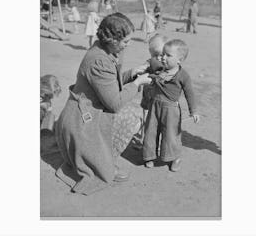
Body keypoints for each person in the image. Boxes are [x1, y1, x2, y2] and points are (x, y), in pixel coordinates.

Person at [55, 13, 152, 195]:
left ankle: (104, 158)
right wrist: (137, 83)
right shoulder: (99, 61)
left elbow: (107, 85)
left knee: (131, 111)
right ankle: (104, 163)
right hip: (81, 120)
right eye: (125, 41)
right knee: (133, 115)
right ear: (112, 39)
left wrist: (132, 73)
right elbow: (114, 102)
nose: (128, 45)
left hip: (88, 109)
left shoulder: (103, 49)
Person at [143, 39, 200, 171]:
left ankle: (175, 157)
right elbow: (150, 62)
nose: (163, 57)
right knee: (150, 132)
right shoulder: (158, 68)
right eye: (163, 54)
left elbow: (189, 93)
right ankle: (149, 156)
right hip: (154, 106)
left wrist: (194, 111)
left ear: (179, 60)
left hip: (171, 110)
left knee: (171, 135)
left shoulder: (183, 76)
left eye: (168, 55)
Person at [134, 34, 167, 150]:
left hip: (160, 100)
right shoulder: (149, 62)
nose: (158, 58)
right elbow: (142, 69)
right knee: (145, 118)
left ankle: (158, 144)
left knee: (159, 121)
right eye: (155, 55)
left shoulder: (167, 65)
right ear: (150, 53)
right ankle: (142, 139)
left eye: (161, 55)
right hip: (147, 97)